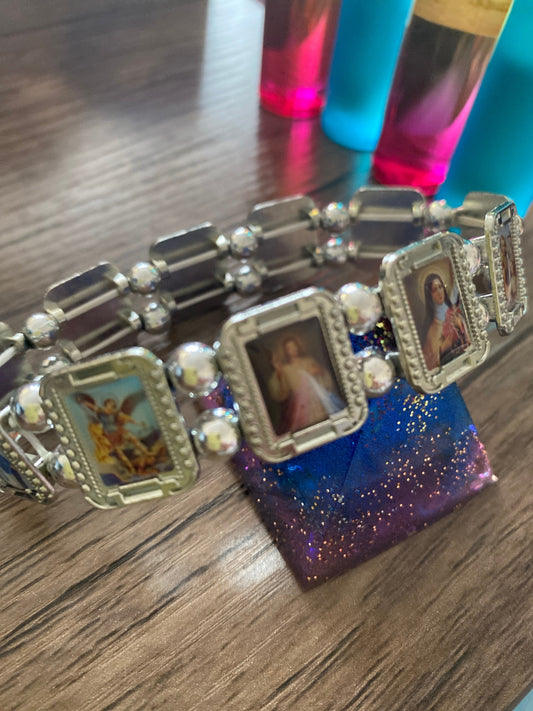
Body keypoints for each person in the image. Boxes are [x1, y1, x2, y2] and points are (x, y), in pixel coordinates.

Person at [267, 335, 343, 434]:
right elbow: (282, 393)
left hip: (318, 402)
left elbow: (325, 379)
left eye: (294, 346)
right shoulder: (286, 369)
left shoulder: (309, 361)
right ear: (286, 351)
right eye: (289, 348)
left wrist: (319, 371)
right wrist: (278, 373)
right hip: (301, 406)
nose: (293, 349)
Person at [422, 274, 470, 370]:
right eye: (434, 290)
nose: (439, 292)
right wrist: (445, 345)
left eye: (440, 287)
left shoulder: (454, 312)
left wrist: (459, 326)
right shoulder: (432, 329)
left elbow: (468, 340)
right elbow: (433, 362)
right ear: (430, 295)